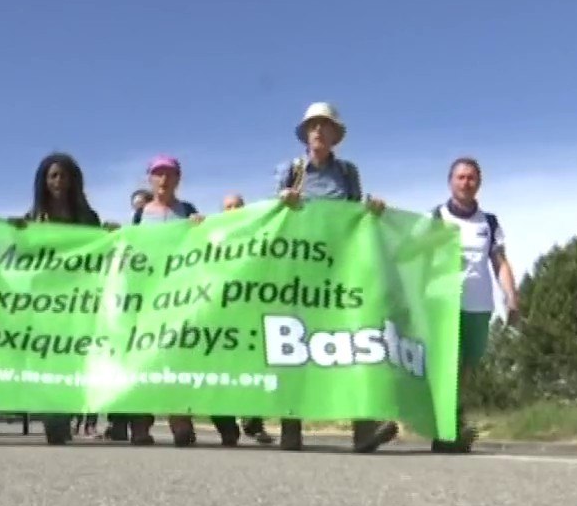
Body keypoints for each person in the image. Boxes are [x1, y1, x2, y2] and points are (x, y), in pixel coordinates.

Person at [275, 102, 397, 454]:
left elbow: (356, 215)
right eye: (313, 125)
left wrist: (371, 210)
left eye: (325, 126)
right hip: (298, 270)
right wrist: (283, 200)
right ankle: (290, 426)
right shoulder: (291, 170)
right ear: (306, 133)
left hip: (339, 270)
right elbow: (271, 217)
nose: (318, 131)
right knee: (293, 343)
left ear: (334, 135)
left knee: (353, 342)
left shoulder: (347, 172)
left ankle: (363, 430)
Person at [132, 156, 240, 447]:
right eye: (158, 174)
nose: (163, 180)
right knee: (145, 358)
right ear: (150, 179)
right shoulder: (142, 214)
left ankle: (180, 419)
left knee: (178, 357)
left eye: (169, 174)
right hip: (148, 295)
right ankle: (141, 424)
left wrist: (201, 228)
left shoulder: (188, 211)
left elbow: (208, 247)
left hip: (181, 296)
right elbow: (129, 250)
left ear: (178, 179)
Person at [8, 153, 105, 445]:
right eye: (53, 176)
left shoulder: (88, 219)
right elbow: (18, 255)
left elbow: (100, 252)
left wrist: (109, 235)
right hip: (43, 303)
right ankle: (53, 417)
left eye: (64, 175)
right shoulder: (32, 218)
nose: (59, 181)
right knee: (47, 359)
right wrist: (13, 233)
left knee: (73, 359)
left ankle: (65, 413)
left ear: (74, 180)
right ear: (44, 181)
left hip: (78, 302)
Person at [431, 157, 520, 453]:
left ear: (478, 183)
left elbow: (499, 261)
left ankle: (452, 423)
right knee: (449, 365)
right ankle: (448, 428)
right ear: (450, 181)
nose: (465, 183)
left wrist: (511, 296)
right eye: (460, 177)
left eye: (471, 178)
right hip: (445, 304)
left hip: (479, 304)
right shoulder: (436, 217)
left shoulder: (489, 222)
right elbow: (417, 258)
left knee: (469, 365)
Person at [212, 193, 276, 446]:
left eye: (239, 205)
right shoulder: (213, 236)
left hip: (249, 309)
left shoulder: (258, 234)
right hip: (219, 311)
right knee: (219, 368)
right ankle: (225, 425)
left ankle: (253, 423)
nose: (235, 209)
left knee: (249, 366)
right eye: (229, 206)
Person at [102, 188, 154, 442]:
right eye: (136, 205)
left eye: (144, 204)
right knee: (121, 365)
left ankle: (142, 424)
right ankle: (118, 422)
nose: (140, 208)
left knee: (142, 367)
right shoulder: (125, 237)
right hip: (125, 309)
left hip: (153, 308)